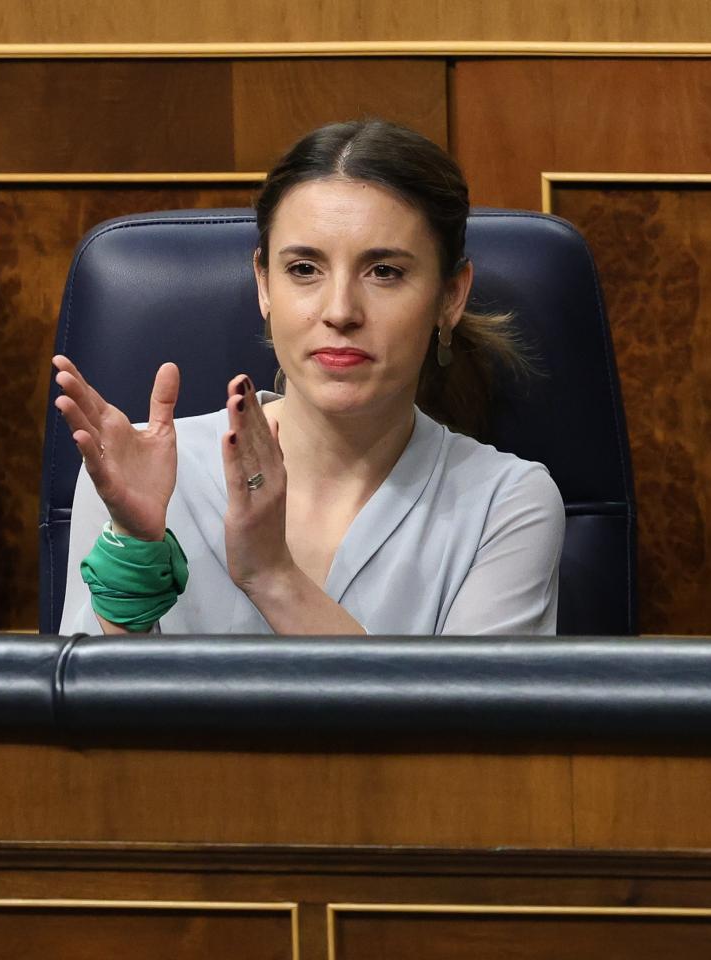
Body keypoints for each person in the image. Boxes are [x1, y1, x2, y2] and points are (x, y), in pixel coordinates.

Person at [53, 118, 564, 636]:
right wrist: (134, 555)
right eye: (303, 269)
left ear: (450, 296)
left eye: (384, 271)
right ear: (264, 285)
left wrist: (273, 576)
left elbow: (462, 719)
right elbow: (98, 715)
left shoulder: (508, 503)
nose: (340, 310)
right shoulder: (139, 468)